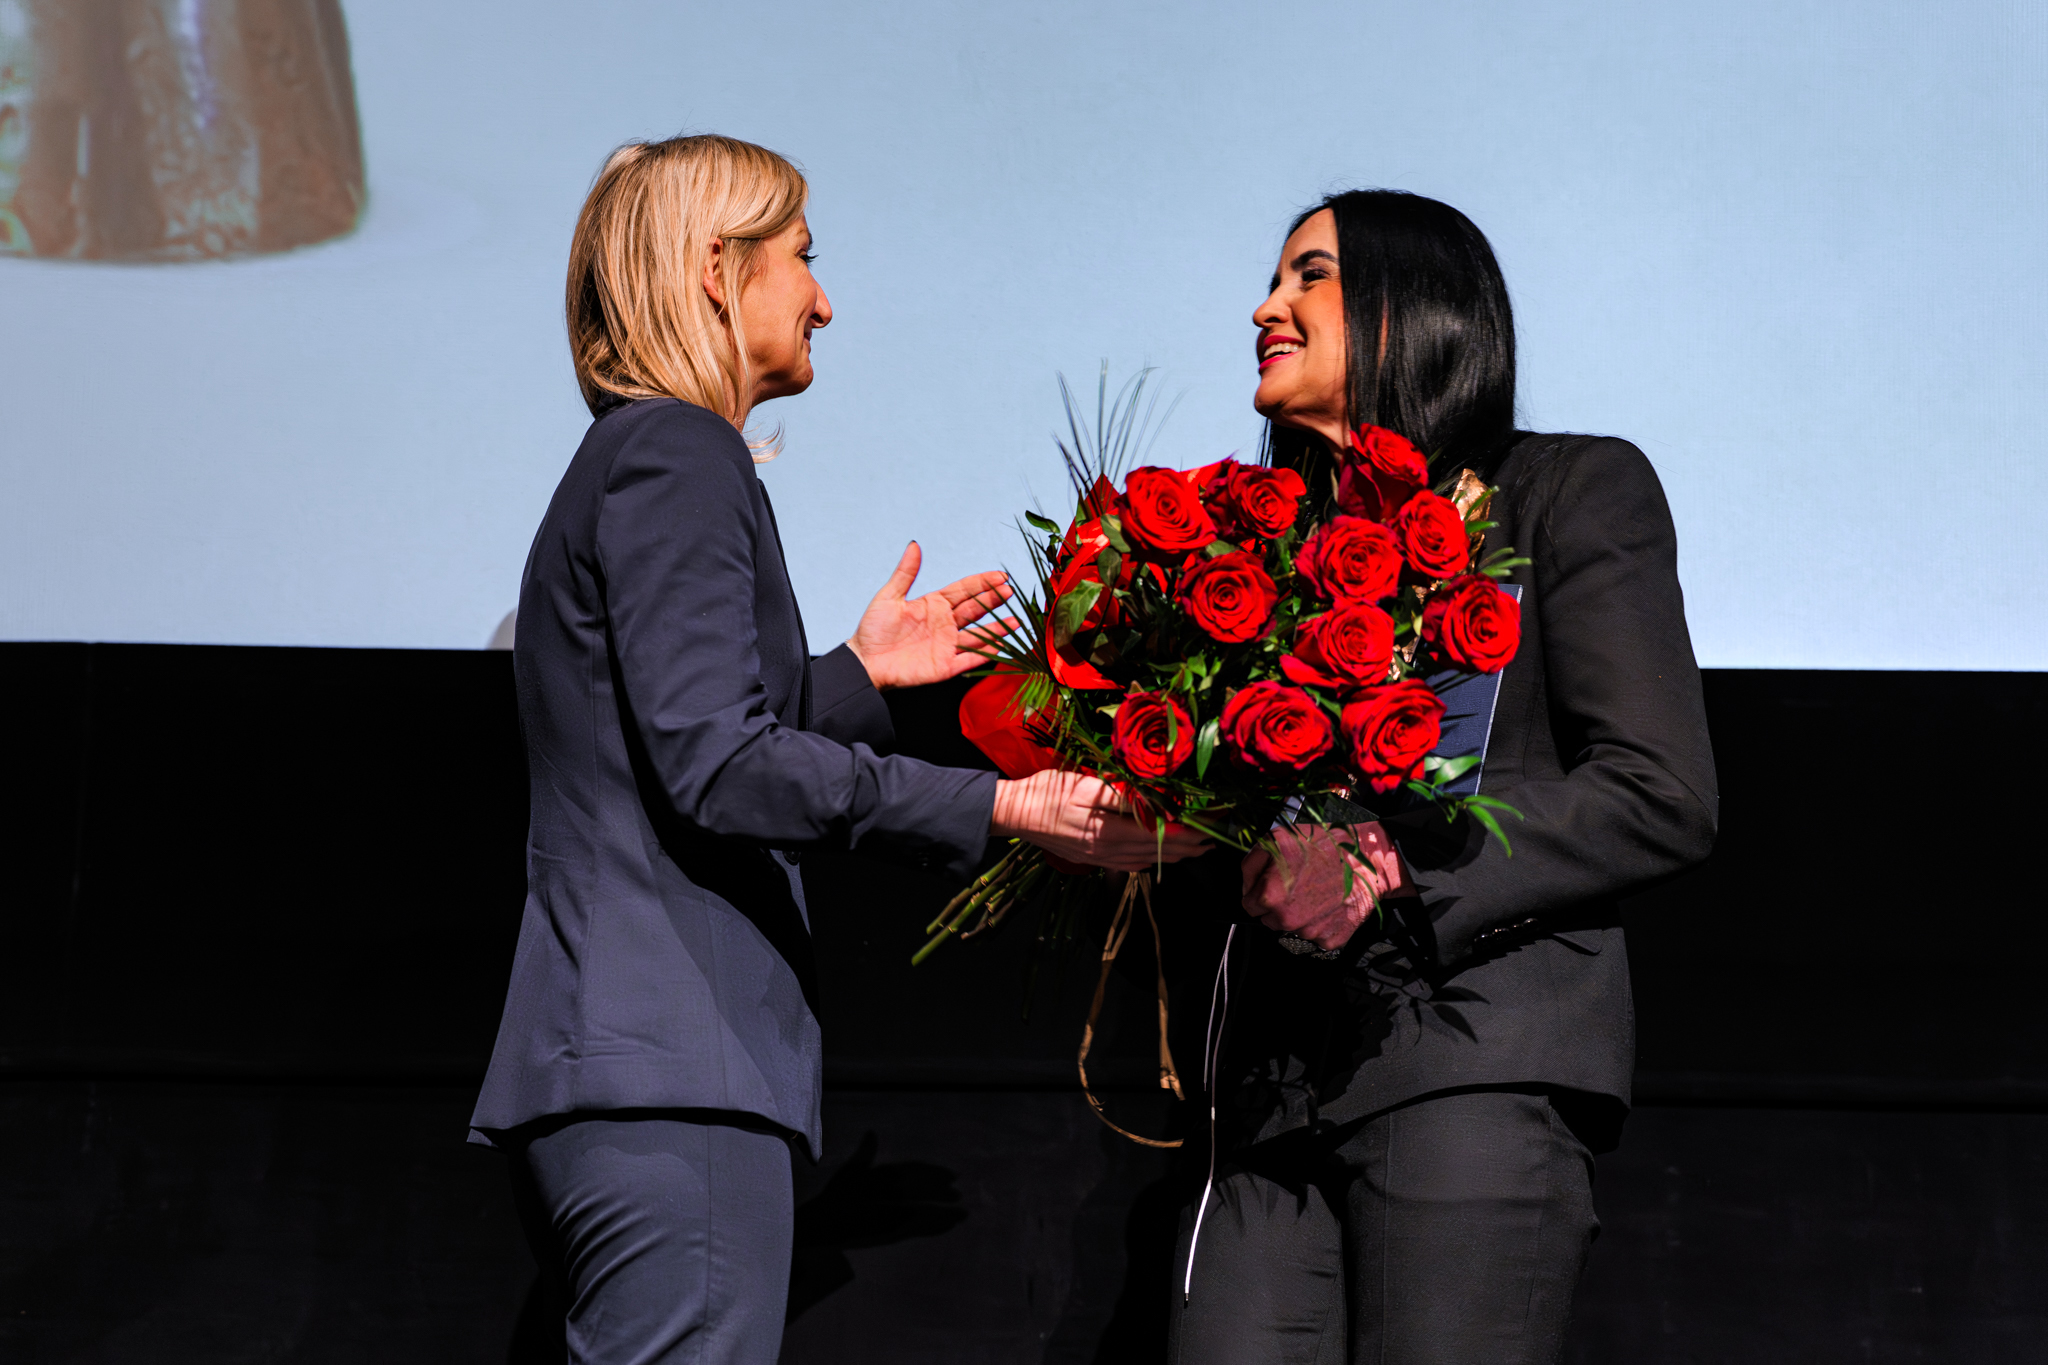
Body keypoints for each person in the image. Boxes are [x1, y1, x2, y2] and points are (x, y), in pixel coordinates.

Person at [467, 134, 1206, 1365]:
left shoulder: (633, 458)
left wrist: (858, 677)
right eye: (803, 258)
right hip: (672, 1071)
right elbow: (716, 766)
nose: (822, 300)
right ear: (717, 272)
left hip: (623, 1070)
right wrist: (1002, 807)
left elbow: (665, 740)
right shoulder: (677, 453)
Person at [1164, 190, 1718, 1363]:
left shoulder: (1568, 488)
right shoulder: (1256, 560)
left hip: (1471, 1060)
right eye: (1272, 279)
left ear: (1409, 303)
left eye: (1307, 275)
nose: (1264, 308)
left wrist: (1391, 865)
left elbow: (1657, 791)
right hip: (1268, 1098)